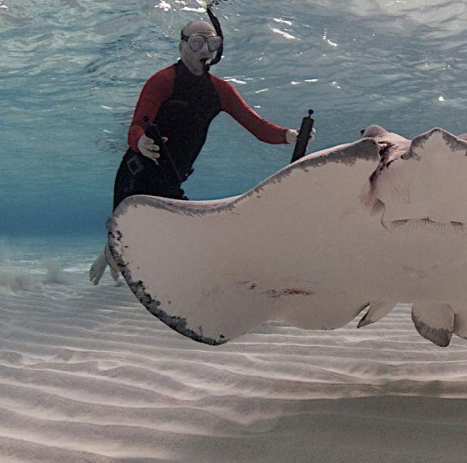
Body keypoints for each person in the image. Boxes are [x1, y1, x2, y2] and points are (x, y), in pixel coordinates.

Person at [89, 17, 312, 284]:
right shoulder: (162, 81)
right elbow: (136, 126)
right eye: (196, 43)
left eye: (211, 43)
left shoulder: (220, 91)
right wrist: (140, 143)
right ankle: (109, 253)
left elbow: (257, 126)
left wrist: (289, 136)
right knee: (125, 241)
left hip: (172, 179)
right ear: (181, 47)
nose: (204, 51)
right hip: (137, 175)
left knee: (175, 240)